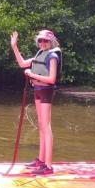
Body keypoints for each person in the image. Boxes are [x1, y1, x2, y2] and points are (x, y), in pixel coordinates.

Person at [9, 29, 61, 175]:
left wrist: (32, 74)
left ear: (51, 41)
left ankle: (48, 167)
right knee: (41, 125)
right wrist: (14, 46)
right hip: (38, 90)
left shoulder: (52, 57)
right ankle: (41, 160)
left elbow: (51, 79)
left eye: (45, 41)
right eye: (40, 40)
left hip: (46, 92)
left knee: (46, 126)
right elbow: (21, 64)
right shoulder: (40, 54)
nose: (43, 43)